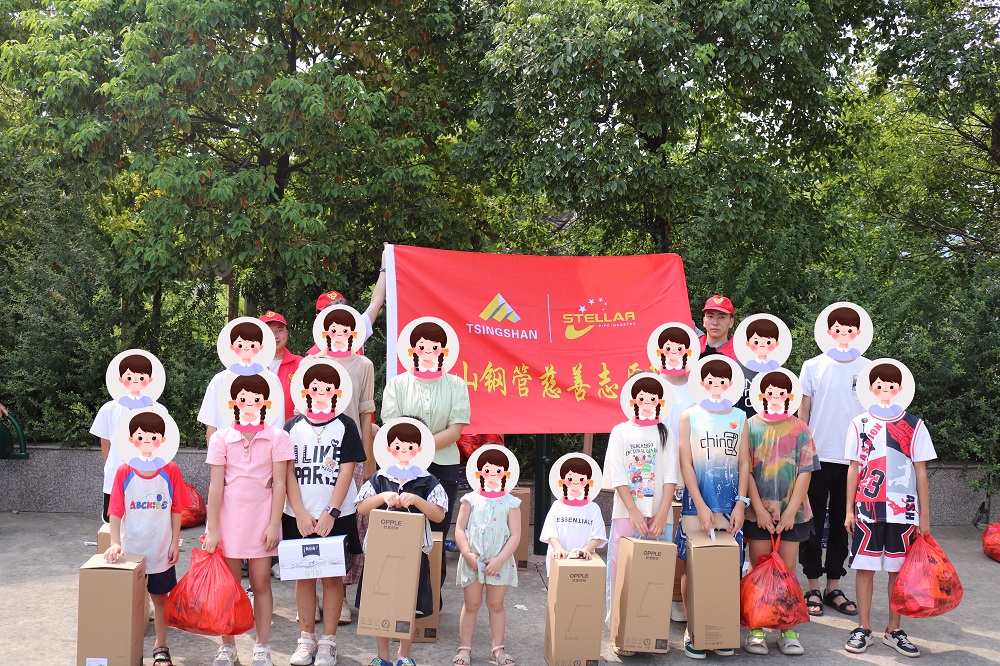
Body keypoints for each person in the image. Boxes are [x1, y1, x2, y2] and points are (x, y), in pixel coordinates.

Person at [844, 362, 935, 658]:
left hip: (903, 510)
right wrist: (848, 510)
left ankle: (894, 630)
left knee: (898, 571)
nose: (885, 389)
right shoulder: (859, 423)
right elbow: (853, 468)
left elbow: (920, 471)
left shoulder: (914, 424)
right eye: (880, 385)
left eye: (891, 385)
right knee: (865, 567)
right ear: (871, 388)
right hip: (867, 508)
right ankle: (863, 628)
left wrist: (924, 516)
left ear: (900, 388)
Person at [204, 374, 293, 666]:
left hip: (262, 520)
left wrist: (274, 524)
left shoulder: (278, 437)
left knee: (261, 582)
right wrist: (212, 528)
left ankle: (262, 646)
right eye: (243, 399)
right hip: (228, 521)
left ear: (266, 403)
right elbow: (215, 485)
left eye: (256, 399)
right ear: (233, 403)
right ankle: (227, 646)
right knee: (228, 586)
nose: (250, 404)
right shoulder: (220, 438)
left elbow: (280, 483)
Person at [382, 319, 471, 588]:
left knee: (436, 533)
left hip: (444, 466)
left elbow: (455, 430)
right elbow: (392, 426)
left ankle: (431, 598)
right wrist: (412, 452)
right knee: (402, 529)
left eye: (434, 346)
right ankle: (400, 592)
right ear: (412, 349)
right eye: (422, 346)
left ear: (444, 350)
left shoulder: (456, 385)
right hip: (403, 467)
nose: (428, 351)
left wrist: (419, 448)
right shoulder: (397, 384)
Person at [283, 386, 367, 666]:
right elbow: (287, 471)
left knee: (333, 578)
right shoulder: (292, 427)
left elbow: (347, 470)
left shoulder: (346, 425)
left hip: (337, 515)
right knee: (304, 577)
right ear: (305, 391)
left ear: (336, 392)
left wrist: (331, 511)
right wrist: (299, 512)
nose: (320, 393)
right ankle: (306, 639)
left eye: (327, 388)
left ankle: (328, 642)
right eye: (315, 388)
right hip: (299, 516)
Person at [674, 359, 751, 659]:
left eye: (722, 381)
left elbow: (744, 462)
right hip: (696, 506)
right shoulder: (689, 416)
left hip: (731, 508)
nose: (716, 385)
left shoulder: (740, 417)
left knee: (728, 568)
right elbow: (686, 463)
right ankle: (693, 628)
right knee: (692, 567)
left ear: (730, 384)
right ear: (702, 383)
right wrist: (700, 505)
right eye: (710, 380)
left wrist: (741, 503)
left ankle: (720, 628)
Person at [355, 420, 448, 666]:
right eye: (398, 446)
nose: (404, 451)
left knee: (409, 603)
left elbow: (439, 515)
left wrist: (417, 500)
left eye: (409, 446)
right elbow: (362, 508)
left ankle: (403, 655)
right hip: (380, 552)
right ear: (389, 449)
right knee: (381, 602)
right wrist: (382, 497)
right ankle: (382, 655)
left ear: (419, 449)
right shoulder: (380, 478)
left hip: (414, 553)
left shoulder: (427, 480)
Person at [743, 371, 820, 656]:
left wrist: (790, 512)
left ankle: (787, 628)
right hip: (757, 514)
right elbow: (746, 471)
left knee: (787, 570)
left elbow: (806, 472)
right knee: (759, 568)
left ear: (790, 396)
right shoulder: (749, 426)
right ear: (761, 395)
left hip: (794, 515)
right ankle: (757, 628)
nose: (775, 397)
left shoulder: (800, 428)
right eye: (770, 393)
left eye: (781, 393)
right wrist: (759, 510)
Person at [798, 305, 868, 618]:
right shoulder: (813, 366)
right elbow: (803, 413)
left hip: (854, 459)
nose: (843, 334)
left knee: (844, 523)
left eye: (849, 329)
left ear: (858, 333)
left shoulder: (869, 369)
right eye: (837, 328)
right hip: (817, 456)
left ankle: (833, 587)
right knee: (811, 523)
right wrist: (801, 454)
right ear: (828, 331)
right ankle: (812, 586)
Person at [602, 373, 678, 656]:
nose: (647, 402)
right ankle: (620, 631)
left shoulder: (666, 433)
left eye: (652, 398)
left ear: (660, 401)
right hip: (626, 514)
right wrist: (633, 511)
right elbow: (618, 474)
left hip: (659, 516)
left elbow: (671, 475)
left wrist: (662, 512)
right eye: (642, 398)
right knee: (621, 572)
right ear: (633, 400)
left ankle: (651, 632)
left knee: (656, 576)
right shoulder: (620, 431)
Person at [105, 415, 188, 666]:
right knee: (129, 600)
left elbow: (177, 509)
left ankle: (161, 646)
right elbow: (115, 510)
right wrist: (115, 542)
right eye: (141, 436)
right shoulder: (124, 471)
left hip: (160, 548)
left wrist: (174, 542)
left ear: (162, 440)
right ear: (132, 440)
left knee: (160, 598)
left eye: (153, 437)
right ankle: (123, 648)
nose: (147, 441)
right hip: (131, 550)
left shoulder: (170, 470)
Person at [453, 448, 521, 666]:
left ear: (505, 473)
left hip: (499, 563)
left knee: (496, 604)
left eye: (497, 470)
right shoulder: (469, 500)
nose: (492, 474)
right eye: (488, 469)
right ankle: (464, 648)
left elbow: (516, 535)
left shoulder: (511, 503)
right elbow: (460, 529)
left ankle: (497, 648)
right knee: (471, 603)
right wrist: (467, 554)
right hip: (473, 561)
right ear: (479, 472)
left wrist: (500, 560)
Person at [91, 355, 168, 522]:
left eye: (141, 377)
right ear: (121, 380)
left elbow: (162, 446)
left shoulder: (160, 410)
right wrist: (115, 467)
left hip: (149, 478)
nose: (135, 381)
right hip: (115, 477)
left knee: (146, 521)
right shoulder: (109, 409)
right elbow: (105, 445)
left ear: (150, 380)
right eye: (129, 377)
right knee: (113, 521)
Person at [539, 455, 607, 576]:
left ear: (588, 481)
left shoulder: (593, 508)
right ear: (563, 480)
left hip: (583, 561)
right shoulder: (557, 505)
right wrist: (558, 548)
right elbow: (550, 531)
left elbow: (598, 535)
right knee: (557, 586)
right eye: (570, 478)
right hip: (559, 559)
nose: (576, 481)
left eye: (581, 478)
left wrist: (586, 549)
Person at [260, 310, 302, 422]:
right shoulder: (250, 366)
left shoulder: (300, 364)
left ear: (287, 333)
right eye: (268, 332)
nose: (274, 336)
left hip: (292, 429)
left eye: (279, 330)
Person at [697, 295, 737, 360]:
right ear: (704, 321)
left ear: (731, 322)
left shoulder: (738, 354)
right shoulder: (692, 345)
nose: (715, 322)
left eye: (721, 317)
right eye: (710, 316)